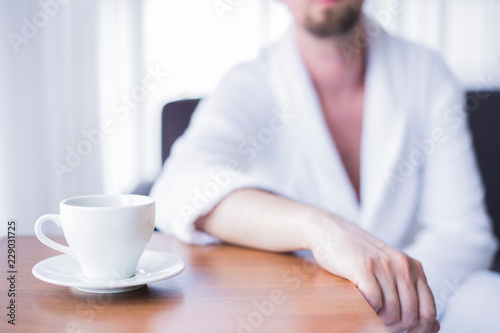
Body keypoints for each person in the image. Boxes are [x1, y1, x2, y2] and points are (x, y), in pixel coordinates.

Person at [151, 0, 500, 332]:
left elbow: (462, 230)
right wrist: (319, 229)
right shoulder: (251, 82)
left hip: (426, 298)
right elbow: (177, 187)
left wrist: (394, 300)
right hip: (300, 306)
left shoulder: (425, 72)